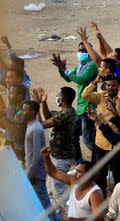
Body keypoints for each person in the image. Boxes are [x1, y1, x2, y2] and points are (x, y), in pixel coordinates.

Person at [81, 55, 120, 194]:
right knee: (100, 176)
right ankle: (100, 203)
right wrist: (95, 81)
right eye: (108, 85)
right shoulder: (100, 97)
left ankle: (119, 203)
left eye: (113, 85)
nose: (111, 88)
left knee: (119, 176)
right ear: (105, 86)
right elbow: (85, 95)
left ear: (118, 86)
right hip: (101, 143)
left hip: (118, 143)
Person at [31, 86, 77, 219]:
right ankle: (56, 216)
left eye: (58, 95)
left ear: (62, 99)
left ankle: (70, 214)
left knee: (58, 191)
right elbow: (49, 116)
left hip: (61, 158)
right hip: (57, 156)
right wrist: (44, 103)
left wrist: (37, 106)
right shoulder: (68, 112)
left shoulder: (64, 115)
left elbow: (40, 124)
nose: (57, 96)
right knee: (50, 190)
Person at [51, 43, 99, 162]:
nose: (82, 52)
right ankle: (78, 162)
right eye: (80, 50)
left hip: (88, 106)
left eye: (84, 50)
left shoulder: (91, 66)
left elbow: (80, 80)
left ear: (89, 51)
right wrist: (61, 69)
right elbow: (69, 78)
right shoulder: (81, 65)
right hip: (80, 106)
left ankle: (104, 160)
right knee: (73, 135)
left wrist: (65, 70)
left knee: (87, 139)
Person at [40, 147, 104, 221]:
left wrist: (75, 220)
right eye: (76, 171)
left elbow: (99, 218)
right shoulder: (73, 181)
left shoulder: (95, 193)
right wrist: (46, 158)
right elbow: (53, 173)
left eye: (79, 172)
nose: (75, 174)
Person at [21, 101, 59, 221]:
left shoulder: (35, 129)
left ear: (32, 112)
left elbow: (37, 156)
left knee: (44, 202)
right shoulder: (32, 126)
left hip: (35, 173)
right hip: (32, 171)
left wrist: (30, 174)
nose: (22, 112)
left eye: (24, 110)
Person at [0, 84, 27, 161]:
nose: (8, 97)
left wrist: (2, 118)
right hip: (13, 143)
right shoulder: (16, 107)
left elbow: (18, 131)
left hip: (21, 150)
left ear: (19, 96)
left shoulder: (24, 109)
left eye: (11, 94)